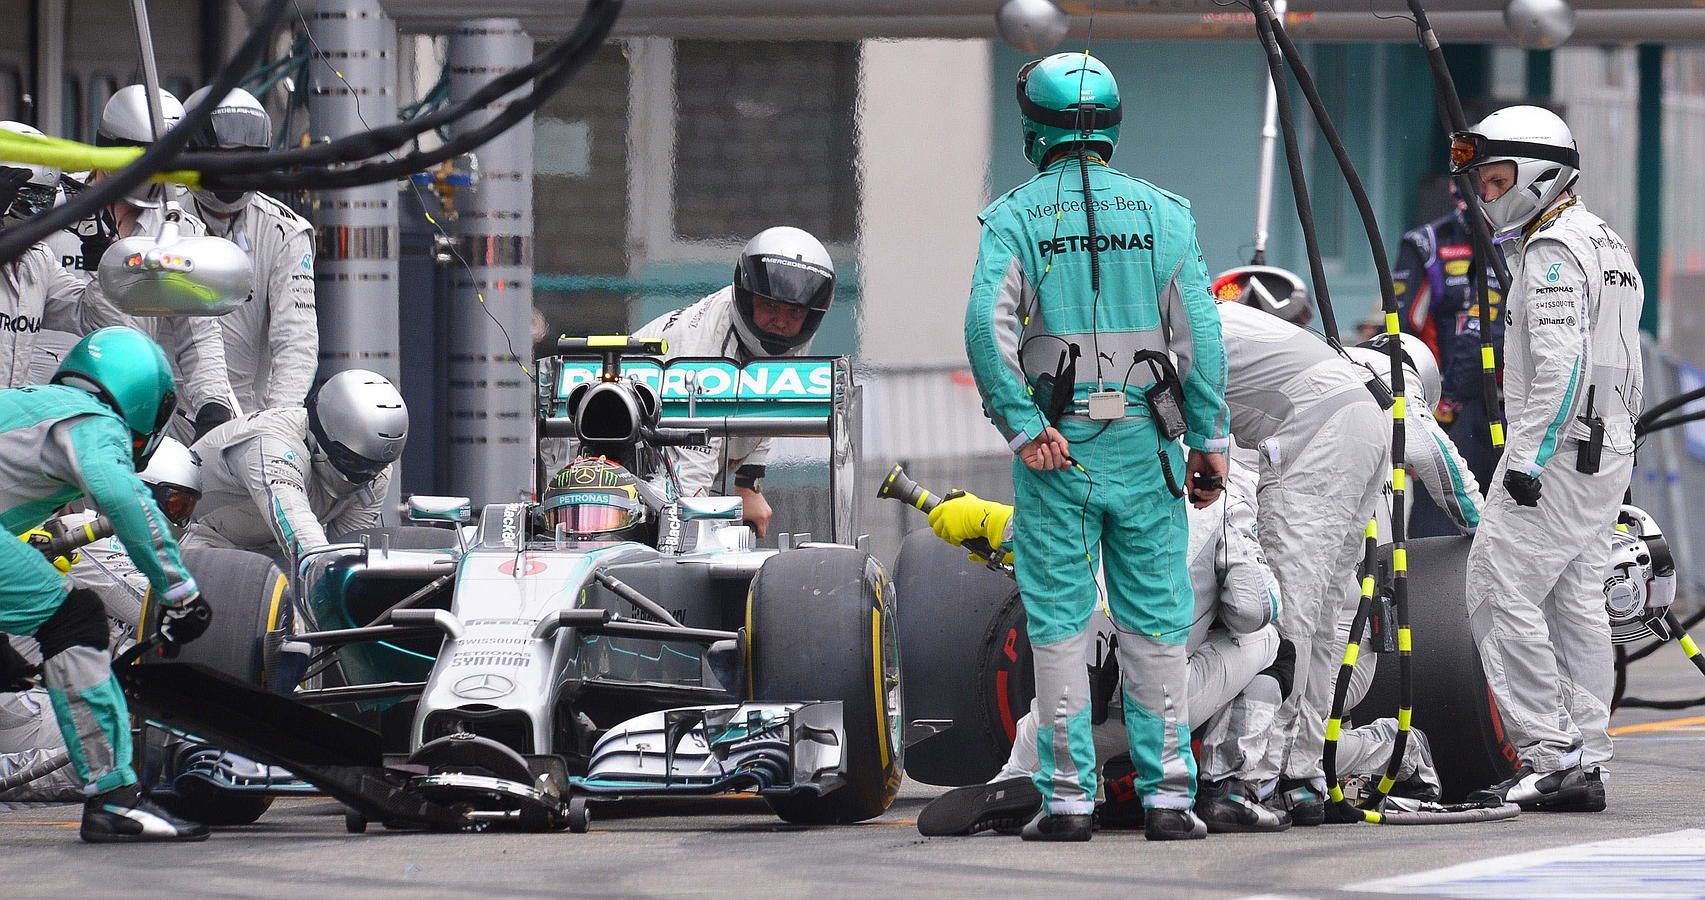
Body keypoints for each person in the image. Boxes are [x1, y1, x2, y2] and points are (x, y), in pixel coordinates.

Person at [964, 52, 1229, 842]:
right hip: (1147, 446)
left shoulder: (1013, 216)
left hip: (1054, 450)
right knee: (1155, 626)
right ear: (1112, 124)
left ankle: (1070, 801)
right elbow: (1202, 336)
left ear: (1032, 125)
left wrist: (1022, 423)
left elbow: (987, 327)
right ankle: (1169, 799)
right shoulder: (1166, 213)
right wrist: (1208, 442)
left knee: (1059, 626)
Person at [915, 463, 1290, 836]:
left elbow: (1032, 536)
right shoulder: (1227, 492)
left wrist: (988, 521)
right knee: (1275, 643)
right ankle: (1225, 787)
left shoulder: (1088, 468)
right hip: (1157, 705)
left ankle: (1056, 784)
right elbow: (1250, 608)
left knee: (1064, 670)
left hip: (1068, 708)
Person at [1450, 106, 1642, 812]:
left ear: (1539, 173)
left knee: (1495, 593)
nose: (1487, 193)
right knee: (1575, 605)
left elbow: (1560, 365)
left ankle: (1550, 752)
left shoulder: (1553, 249)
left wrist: (1525, 460)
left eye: (1497, 178)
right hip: (1604, 450)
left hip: (1555, 454)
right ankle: (1585, 756)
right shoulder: (1606, 241)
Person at [0, 326, 211, 841]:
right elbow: (123, 498)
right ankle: (115, 799)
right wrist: (180, 593)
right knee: (74, 618)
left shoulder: (24, 405)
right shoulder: (92, 419)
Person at [1215, 299, 1390, 826]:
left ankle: (1244, 777)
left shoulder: (1159, 329)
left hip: (1316, 441)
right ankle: (1305, 772)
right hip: (1358, 428)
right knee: (1318, 620)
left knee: (1278, 615)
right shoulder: (1205, 312)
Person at [26, 88, 237, 444]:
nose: (157, 173)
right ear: (112, 148)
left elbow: (199, 338)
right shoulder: (45, 202)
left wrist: (213, 404)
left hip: (127, 404)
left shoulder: (178, 229)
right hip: (38, 404)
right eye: (148, 158)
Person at [1, 437, 202, 804]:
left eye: (187, 505)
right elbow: (151, 609)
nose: (181, 516)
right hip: (19, 702)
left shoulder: (145, 550)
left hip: (53, 690)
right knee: (132, 748)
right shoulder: (85, 535)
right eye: (174, 503)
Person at [631, 226, 835, 537]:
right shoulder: (702, 350)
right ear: (747, 296)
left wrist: (748, 484)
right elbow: (690, 474)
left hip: (674, 458)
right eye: (770, 306)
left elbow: (766, 400)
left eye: (794, 311)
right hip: (625, 458)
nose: (781, 321)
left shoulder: (789, 338)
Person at [181, 369, 407, 571]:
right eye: (355, 464)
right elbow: (298, 528)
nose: (366, 477)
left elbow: (347, 550)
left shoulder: (377, 473)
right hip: (200, 537)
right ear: (323, 436)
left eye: (375, 467)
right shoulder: (271, 445)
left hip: (272, 548)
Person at [181, 87, 318, 413]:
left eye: (245, 160)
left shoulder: (284, 231)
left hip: (245, 420)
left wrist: (278, 421)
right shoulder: (163, 214)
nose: (233, 173)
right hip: (164, 416)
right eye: (222, 161)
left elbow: (296, 340)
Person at [0, 122, 130, 388]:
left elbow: (100, 323)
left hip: (11, 420)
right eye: (27, 200)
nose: (36, 213)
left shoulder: (38, 259)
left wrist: (98, 255)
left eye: (44, 200)